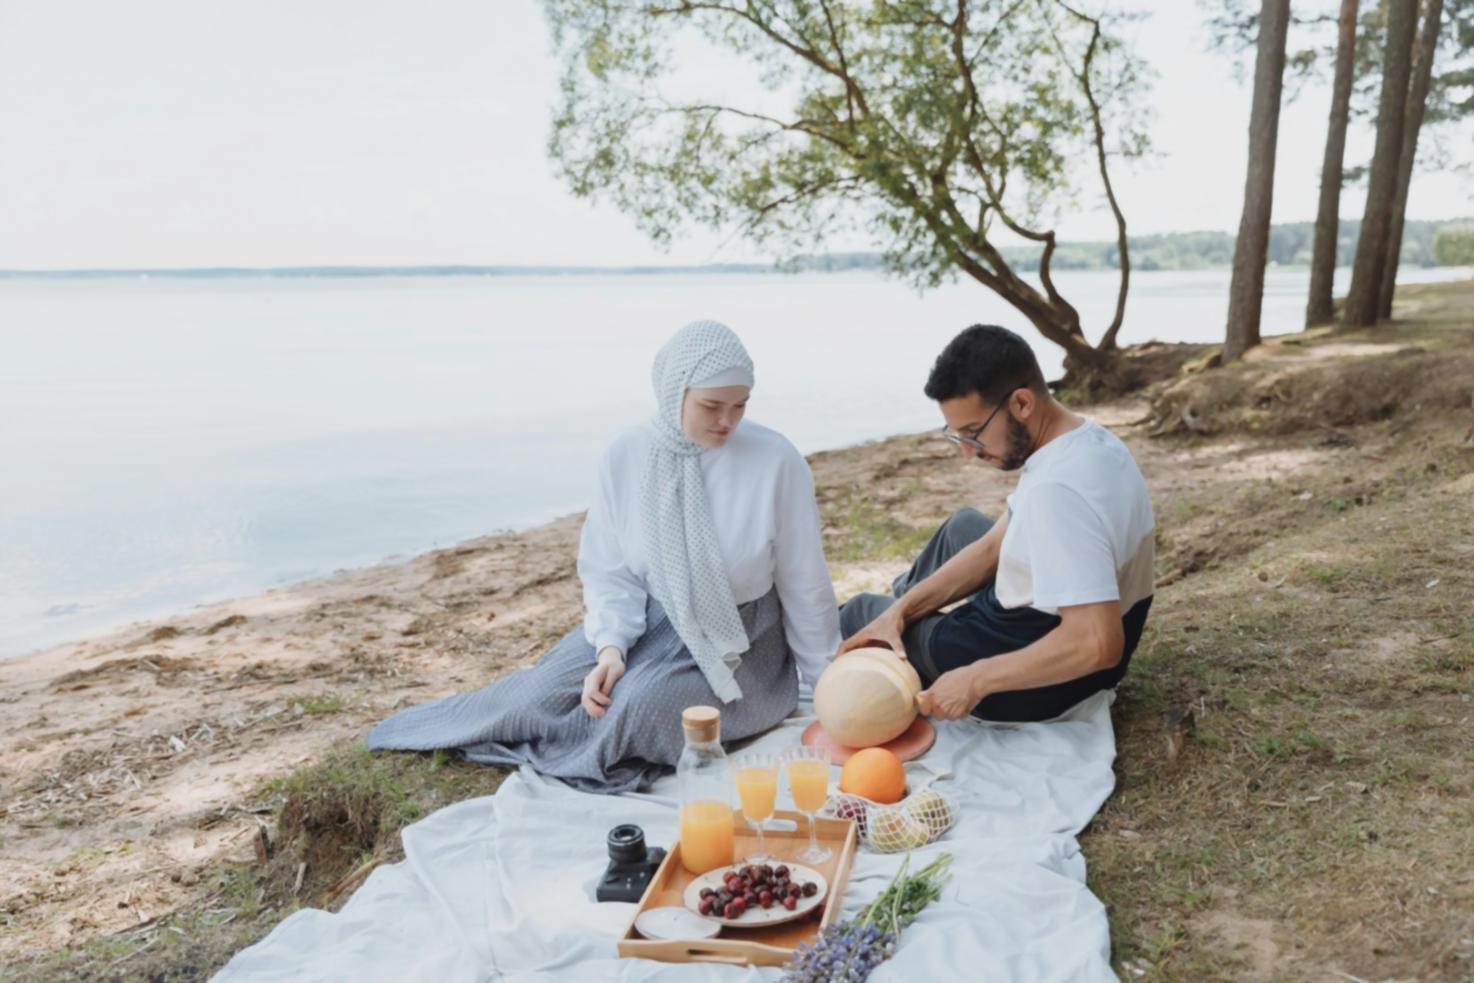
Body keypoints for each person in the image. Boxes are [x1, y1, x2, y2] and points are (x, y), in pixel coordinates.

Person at [369, 320, 840, 792]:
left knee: (638, 705)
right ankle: (419, 732)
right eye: (711, 406)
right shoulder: (626, 455)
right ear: (674, 392)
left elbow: (804, 581)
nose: (727, 421)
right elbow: (610, 571)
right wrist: (612, 648)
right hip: (648, 621)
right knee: (535, 696)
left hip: (740, 642)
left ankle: (584, 746)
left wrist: (828, 688)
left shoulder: (775, 460)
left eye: (740, 405)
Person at [839, 324, 1154, 722]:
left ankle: (906, 638)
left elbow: (1097, 643)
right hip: (1060, 621)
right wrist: (899, 613)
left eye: (974, 433)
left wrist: (975, 680)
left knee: (859, 611)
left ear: (1022, 403)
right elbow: (991, 548)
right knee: (962, 528)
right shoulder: (1084, 440)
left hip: (1041, 677)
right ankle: (904, 623)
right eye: (958, 437)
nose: (968, 454)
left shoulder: (1056, 493)